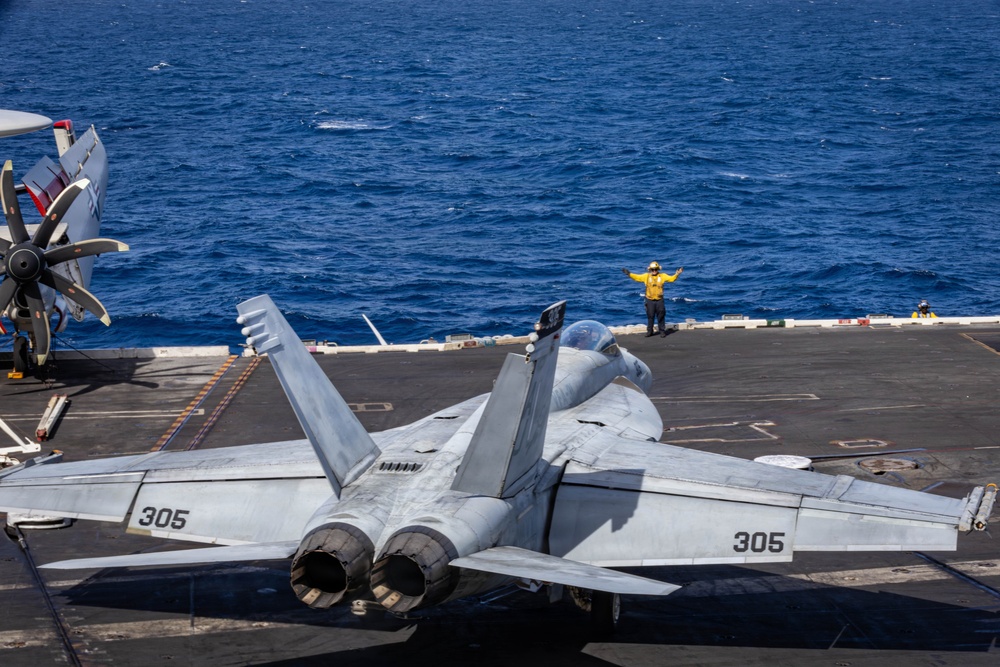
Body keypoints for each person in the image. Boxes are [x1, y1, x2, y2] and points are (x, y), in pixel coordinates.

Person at [622, 262, 684, 337]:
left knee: (661, 315)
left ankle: (662, 331)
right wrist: (629, 274)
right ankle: (650, 331)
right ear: (650, 270)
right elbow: (637, 277)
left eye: (655, 269)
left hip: (659, 300)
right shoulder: (646, 276)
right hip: (650, 300)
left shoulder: (662, 276)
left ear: (658, 269)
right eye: (652, 269)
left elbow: (671, 279)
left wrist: (677, 274)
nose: (654, 271)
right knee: (650, 316)